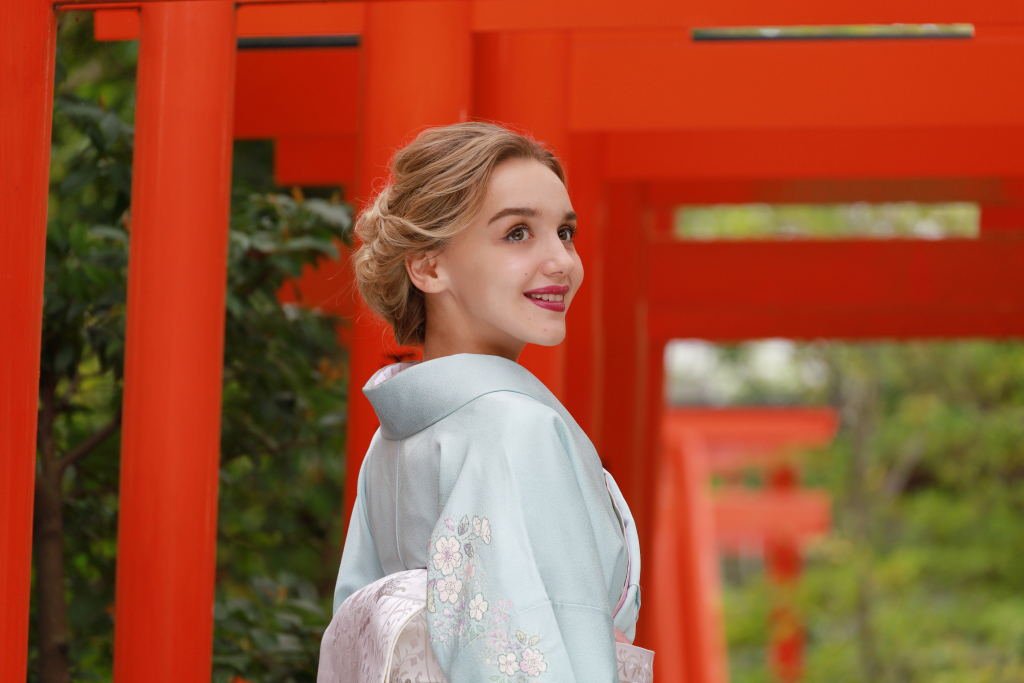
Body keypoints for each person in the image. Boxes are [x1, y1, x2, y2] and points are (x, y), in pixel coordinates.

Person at [317, 122, 651, 683]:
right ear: (428, 265)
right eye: (518, 233)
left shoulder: (394, 439)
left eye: (565, 233)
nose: (562, 262)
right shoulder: (515, 426)